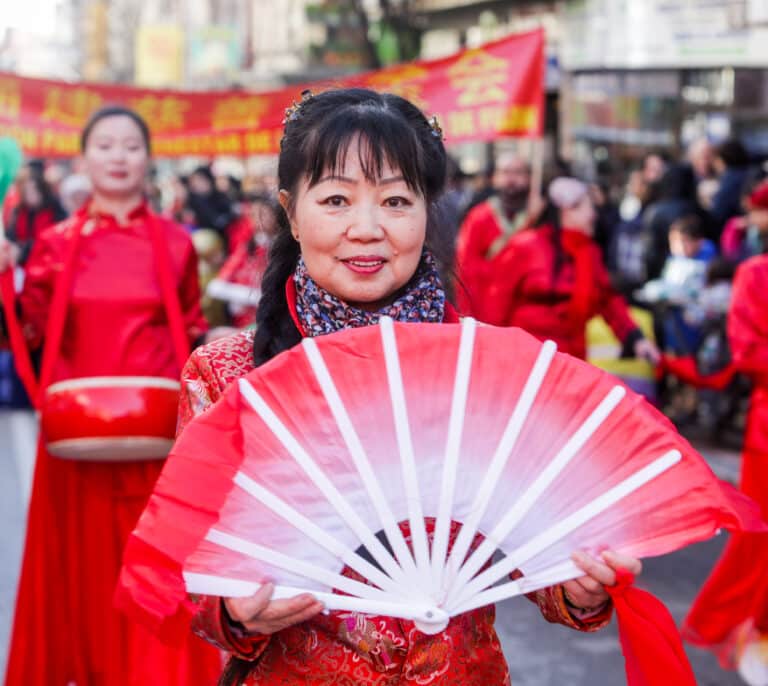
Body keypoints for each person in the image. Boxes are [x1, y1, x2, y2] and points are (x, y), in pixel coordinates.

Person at [124, 88, 642, 685]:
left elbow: (540, 547)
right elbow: (193, 569)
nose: (367, 229)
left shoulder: (484, 369)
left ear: (428, 210)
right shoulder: (227, 376)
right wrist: (235, 614)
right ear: (291, 212)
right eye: (337, 199)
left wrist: (578, 591)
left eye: (396, 200)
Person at [0, 106, 222, 686]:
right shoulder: (52, 244)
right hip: (77, 443)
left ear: (148, 158)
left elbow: (192, 332)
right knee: (83, 573)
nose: (118, 156)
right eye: (105, 145)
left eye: (130, 145)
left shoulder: (178, 244)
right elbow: (28, 333)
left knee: (158, 569)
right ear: (83, 160)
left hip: (158, 437)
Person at [682, 239, 768, 685]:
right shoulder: (756, 274)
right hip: (766, 432)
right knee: (757, 544)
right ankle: (747, 632)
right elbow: (749, 353)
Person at [485, 176, 659, 363]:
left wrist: (635, 338)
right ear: (565, 211)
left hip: (571, 364)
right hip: (525, 360)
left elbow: (608, 300)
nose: (592, 215)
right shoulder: (525, 246)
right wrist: (491, 354)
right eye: (584, 208)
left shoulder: (589, 254)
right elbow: (496, 306)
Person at [455, 153, 542, 319]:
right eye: (505, 172)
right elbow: (465, 266)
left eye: (518, 172)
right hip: (487, 308)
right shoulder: (478, 217)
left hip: (525, 314)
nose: (512, 179)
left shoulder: (539, 216)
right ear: (495, 178)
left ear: (529, 178)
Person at [6, 172, 66, 264]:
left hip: (48, 259)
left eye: (33, 190)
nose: (31, 195)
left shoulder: (54, 209)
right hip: (23, 261)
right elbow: (11, 237)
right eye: (27, 191)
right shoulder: (19, 212)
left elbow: (59, 236)